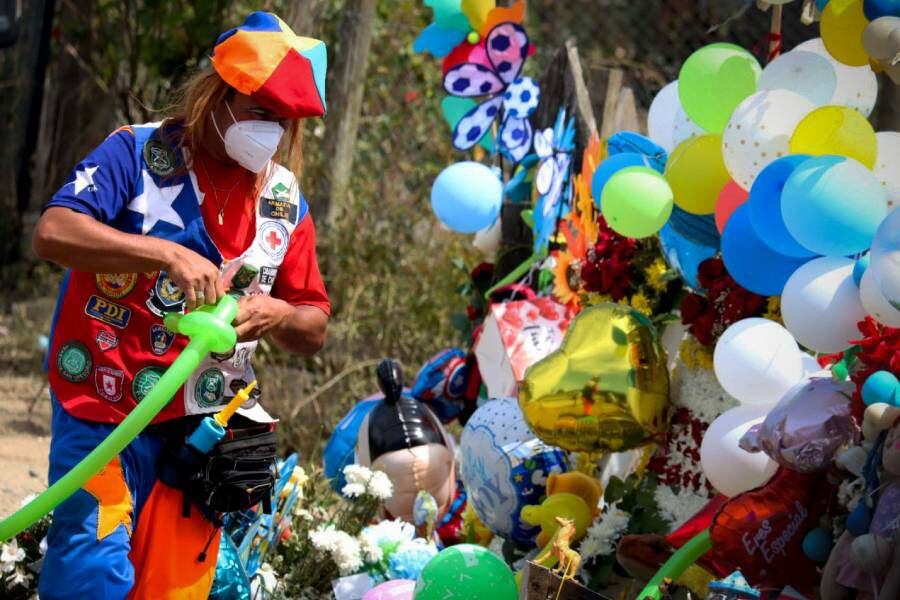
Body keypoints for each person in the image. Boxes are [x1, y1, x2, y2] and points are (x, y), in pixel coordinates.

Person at [31, 12, 329, 599]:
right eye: (259, 113)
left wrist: (280, 316)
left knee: (173, 590)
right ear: (217, 96)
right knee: (91, 575)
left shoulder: (284, 202)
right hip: (104, 403)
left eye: (283, 121)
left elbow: (314, 321)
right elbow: (53, 231)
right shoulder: (135, 154)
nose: (270, 132)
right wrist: (161, 253)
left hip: (202, 432)